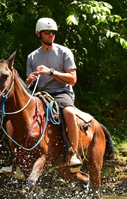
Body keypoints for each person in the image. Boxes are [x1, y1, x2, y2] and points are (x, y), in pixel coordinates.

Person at [26, 17, 82, 167]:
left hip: (61, 92)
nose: (51, 35)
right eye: (47, 32)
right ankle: (19, 159)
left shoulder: (64, 52)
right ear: (39, 34)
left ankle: (74, 154)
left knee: (70, 113)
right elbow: (28, 86)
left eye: (53, 32)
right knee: (17, 120)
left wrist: (51, 72)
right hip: (41, 94)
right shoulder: (32, 57)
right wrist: (29, 80)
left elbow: (72, 79)